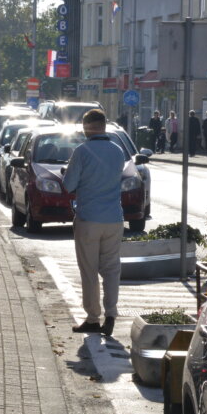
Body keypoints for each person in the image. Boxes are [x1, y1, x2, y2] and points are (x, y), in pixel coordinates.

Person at [62, 110, 124, 337]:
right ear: (104, 126)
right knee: (111, 269)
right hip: (115, 218)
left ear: (87, 127)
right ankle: (111, 314)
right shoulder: (118, 151)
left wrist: (65, 172)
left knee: (89, 270)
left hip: (89, 218)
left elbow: (69, 185)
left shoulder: (82, 151)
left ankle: (92, 318)